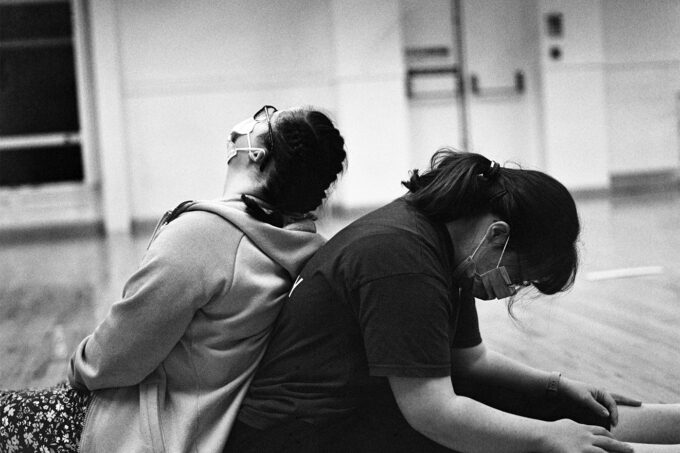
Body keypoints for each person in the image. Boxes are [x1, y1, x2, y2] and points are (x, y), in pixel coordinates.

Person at [225, 149, 680, 453]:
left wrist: (557, 387)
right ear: (498, 235)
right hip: (296, 436)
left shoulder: (445, 240)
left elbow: (472, 362)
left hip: (347, 411)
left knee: (540, 410)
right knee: (529, 439)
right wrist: (546, 437)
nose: (510, 291)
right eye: (519, 277)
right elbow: (433, 411)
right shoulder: (402, 257)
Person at [0, 105, 347, 452]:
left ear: (258, 154)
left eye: (265, 118)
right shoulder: (289, 242)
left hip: (141, 432)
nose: (252, 120)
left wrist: (76, 369)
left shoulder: (204, 237)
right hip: (195, 428)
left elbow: (113, 359)